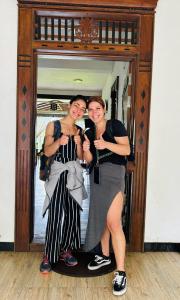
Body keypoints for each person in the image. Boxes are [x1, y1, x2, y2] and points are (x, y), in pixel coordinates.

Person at [83, 96, 130, 296]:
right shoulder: (89, 131)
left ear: (104, 109)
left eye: (97, 108)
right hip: (97, 176)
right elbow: (90, 160)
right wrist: (86, 151)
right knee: (101, 218)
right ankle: (103, 255)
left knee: (114, 223)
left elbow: (127, 150)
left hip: (114, 176)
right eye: (90, 109)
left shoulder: (115, 125)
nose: (94, 112)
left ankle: (121, 272)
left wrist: (106, 145)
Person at [40, 95, 87, 273]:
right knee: (56, 213)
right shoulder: (54, 125)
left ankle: (66, 250)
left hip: (74, 175)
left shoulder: (79, 130)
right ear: (69, 106)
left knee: (72, 213)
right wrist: (59, 142)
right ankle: (49, 254)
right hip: (59, 174)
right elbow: (46, 151)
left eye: (83, 109)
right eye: (77, 106)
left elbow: (81, 157)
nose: (79, 111)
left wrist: (77, 145)